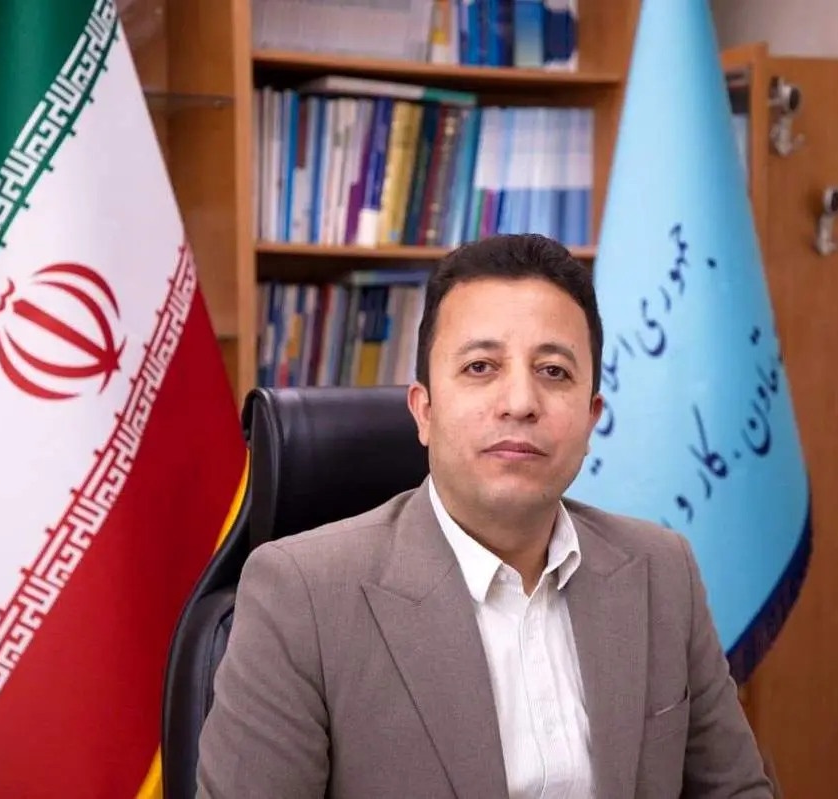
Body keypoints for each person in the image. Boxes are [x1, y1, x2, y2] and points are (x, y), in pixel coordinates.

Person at [195, 233, 777, 798]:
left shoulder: (661, 571)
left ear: (591, 418)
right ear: (423, 411)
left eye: (554, 371)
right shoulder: (302, 596)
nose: (520, 402)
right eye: (480, 367)